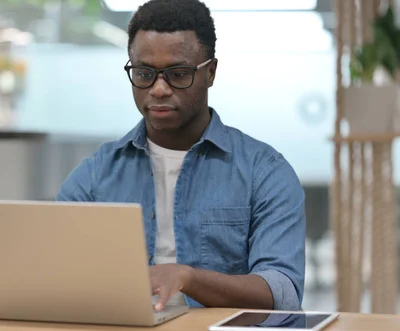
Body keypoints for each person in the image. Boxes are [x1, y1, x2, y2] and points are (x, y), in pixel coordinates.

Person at [56, 0, 305, 313]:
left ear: (210, 72)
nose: (159, 89)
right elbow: (58, 277)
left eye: (178, 73)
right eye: (145, 73)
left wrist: (189, 278)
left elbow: (282, 291)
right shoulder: (95, 175)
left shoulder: (264, 171)